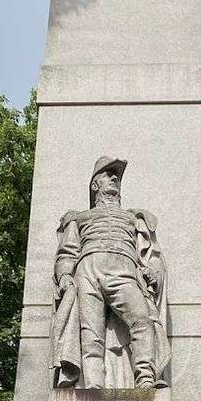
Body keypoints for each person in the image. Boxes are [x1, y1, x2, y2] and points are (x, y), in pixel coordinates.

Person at [50, 157, 171, 389]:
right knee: (90, 332)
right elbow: (68, 251)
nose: (114, 178)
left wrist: (150, 271)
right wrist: (65, 274)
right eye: (107, 175)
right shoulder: (79, 218)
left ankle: (145, 378)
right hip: (88, 267)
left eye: (116, 176)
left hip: (124, 269)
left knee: (142, 321)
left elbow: (145, 253)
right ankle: (93, 385)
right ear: (95, 185)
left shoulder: (133, 218)